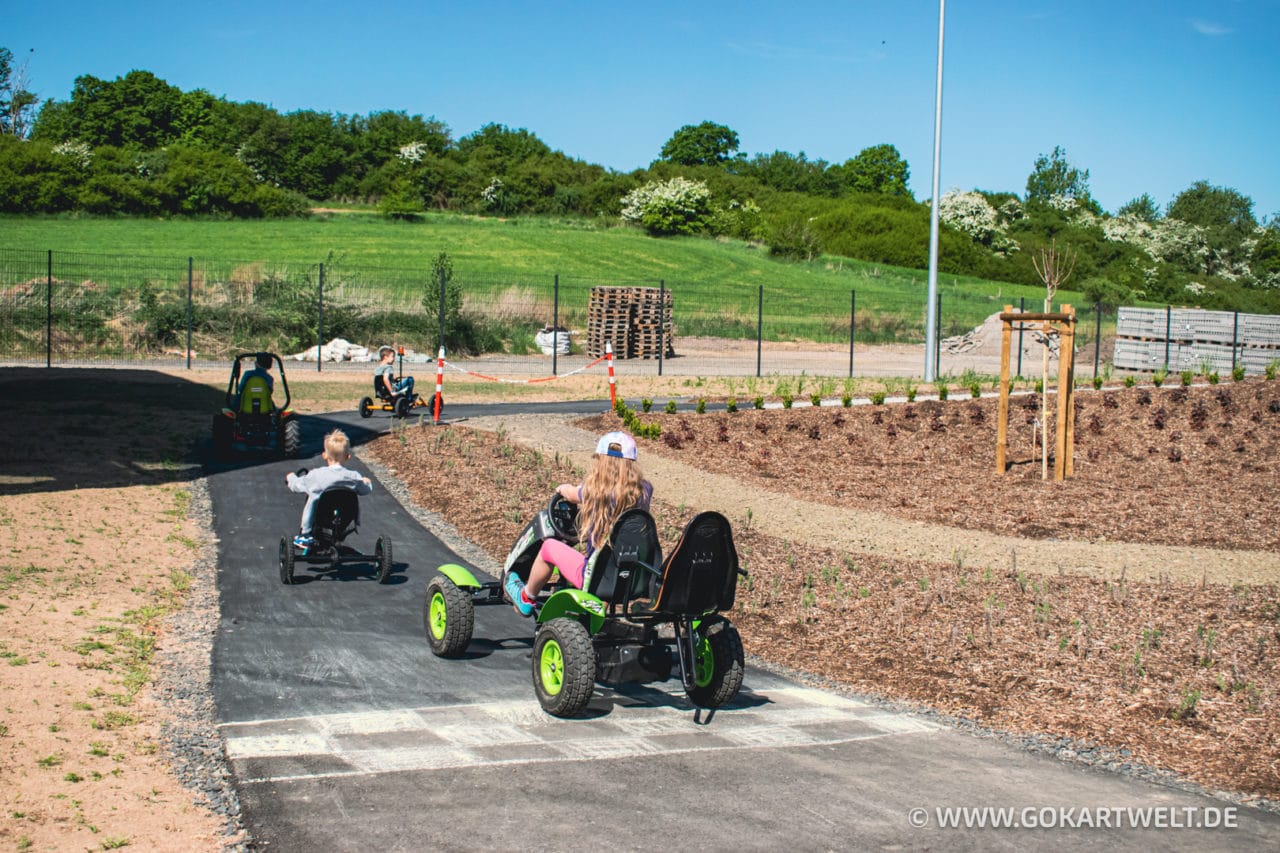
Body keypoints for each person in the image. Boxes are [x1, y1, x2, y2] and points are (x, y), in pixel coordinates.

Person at [504, 430, 653, 616]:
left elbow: (571, 493)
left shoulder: (594, 491)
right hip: (632, 576)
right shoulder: (645, 490)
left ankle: (526, 596)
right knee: (607, 555)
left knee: (549, 548)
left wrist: (562, 488)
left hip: (596, 577)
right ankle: (597, 611)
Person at [285, 429, 372, 552]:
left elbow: (297, 486)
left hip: (322, 514)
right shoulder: (354, 476)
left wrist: (291, 478)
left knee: (313, 497)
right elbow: (365, 490)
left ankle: (305, 534)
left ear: (324, 455)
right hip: (345, 516)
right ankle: (337, 535)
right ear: (347, 457)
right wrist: (366, 481)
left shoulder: (316, 475)